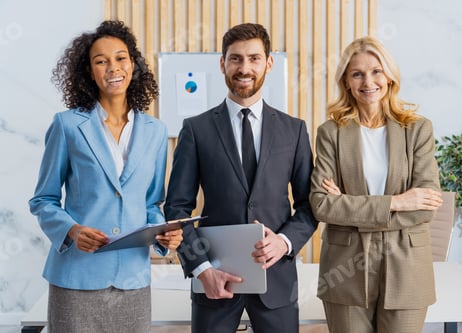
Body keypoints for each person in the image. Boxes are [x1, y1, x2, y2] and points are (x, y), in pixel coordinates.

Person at [28, 20, 182, 333]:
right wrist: (71, 230)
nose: (113, 67)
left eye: (121, 58)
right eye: (101, 61)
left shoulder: (156, 131)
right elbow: (43, 199)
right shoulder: (68, 126)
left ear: (133, 64)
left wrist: (164, 233)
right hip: (76, 280)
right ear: (89, 71)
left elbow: (152, 202)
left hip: (133, 281)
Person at [164, 23, 317, 333]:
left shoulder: (294, 130)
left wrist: (285, 242)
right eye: (235, 59)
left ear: (269, 63)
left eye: (254, 58)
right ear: (222, 63)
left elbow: (308, 205)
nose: (244, 68)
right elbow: (177, 210)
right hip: (214, 283)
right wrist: (202, 269)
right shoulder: (196, 130)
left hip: (277, 282)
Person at [309, 36, 443, 333]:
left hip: (407, 267)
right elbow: (321, 204)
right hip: (345, 269)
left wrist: (350, 206)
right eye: (357, 73)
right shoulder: (331, 132)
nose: (368, 81)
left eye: (376, 71)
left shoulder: (418, 129)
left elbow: (425, 208)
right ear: (346, 81)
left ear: (390, 76)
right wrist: (397, 202)